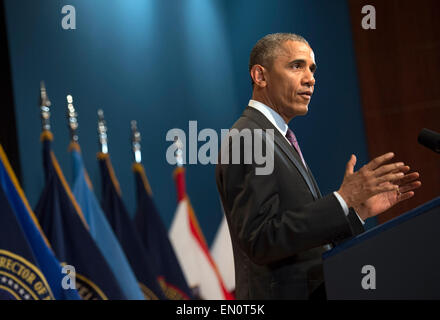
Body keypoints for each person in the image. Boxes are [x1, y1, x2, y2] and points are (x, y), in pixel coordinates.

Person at [215, 33, 421, 300]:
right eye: (296, 66)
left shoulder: (277, 137)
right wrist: (341, 199)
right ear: (260, 76)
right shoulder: (249, 138)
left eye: (312, 69)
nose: (310, 78)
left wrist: (354, 210)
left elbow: (301, 241)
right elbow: (261, 239)